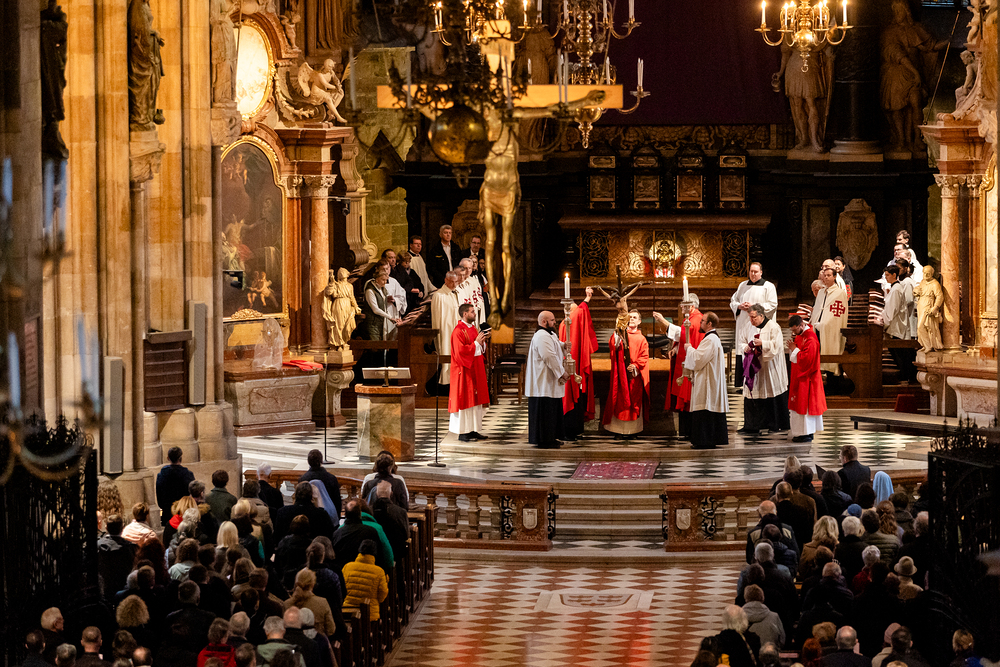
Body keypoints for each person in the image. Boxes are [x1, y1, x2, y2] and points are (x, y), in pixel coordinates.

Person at [654, 293, 704, 438]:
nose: (681, 306)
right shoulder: (691, 318)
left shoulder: (696, 319)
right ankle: (685, 431)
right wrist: (676, 347)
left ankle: (689, 432)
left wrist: (663, 321)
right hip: (684, 360)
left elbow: (685, 333)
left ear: (691, 306)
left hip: (691, 366)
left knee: (688, 396)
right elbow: (684, 338)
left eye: (684, 304)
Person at [738, 304, 789, 435]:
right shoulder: (748, 326)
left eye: (754, 317)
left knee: (770, 393)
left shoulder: (773, 327)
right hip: (753, 368)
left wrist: (763, 344)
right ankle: (752, 425)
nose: (751, 320)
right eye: (750, 317)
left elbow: (777, 346)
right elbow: (741, 341)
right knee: (753, 394)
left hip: (769, 368)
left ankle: (774, 424)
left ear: (761, 315)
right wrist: (746, 347)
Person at [601, 309, 649, 441]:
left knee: (633, 401)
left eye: (634, 317)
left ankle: (633, 431)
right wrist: (618, 332)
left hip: (634, 376)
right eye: (630, 317)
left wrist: (636, 366)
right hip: (621, 374)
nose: (632, 319)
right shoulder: (620, 335)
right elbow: (613, 345)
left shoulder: (642, 338)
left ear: (639, 322)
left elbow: (644, 356)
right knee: (619, 400)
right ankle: (617, 430)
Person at [684, 311, 729, 449]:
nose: (700, 323)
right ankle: (706, 440)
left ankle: (704, 440)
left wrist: (689, 349)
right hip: (708, 378)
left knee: (705, 407)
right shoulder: (711, 338)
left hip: (708, 381)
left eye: (702, 321)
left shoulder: (710, 339)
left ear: (709, 324)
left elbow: (698, 359)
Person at [524, 310, 568, 448]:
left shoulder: (550, 334)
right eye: (552, 320)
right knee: (545, 412)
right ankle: (544, 440)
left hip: (548, 381)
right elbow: (549, 356)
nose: (554, 322)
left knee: (551, 410)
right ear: (544, 321)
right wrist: (561, 372)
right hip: (542, 382)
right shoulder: (541, 336)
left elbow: (556, 345)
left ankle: (551, 437)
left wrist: (564, 346)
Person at [730, 262, 778, 388]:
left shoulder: (768, 286)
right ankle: (743, 383)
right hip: (743, 324)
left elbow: (772, 305)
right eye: (751, 271)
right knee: (744, 349)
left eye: (756, 272)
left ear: (761, 272)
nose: (753, 274)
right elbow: (733, 301)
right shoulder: (742, 285)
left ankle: (757, 383)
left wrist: (754, 307)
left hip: (758, 326)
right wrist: (739, 306)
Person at [559, 287, 598, 440]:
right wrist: (587, 299)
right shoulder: (567, 324)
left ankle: (575, 430)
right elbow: (580, 312)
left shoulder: (569, 323)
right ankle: (569, 431)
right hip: (569, 365)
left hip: (575, 363)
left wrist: (586, 300)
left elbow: (580, 313)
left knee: (578, 397)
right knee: (571, 395)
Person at [448, 303, 490, 442]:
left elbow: (478, 347)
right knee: (465, 401)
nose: (475, 314)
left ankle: (473, 429)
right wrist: (476, 344)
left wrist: (482, 343)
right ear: (465, 314)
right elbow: (460, 352)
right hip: (464, 371)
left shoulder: (473, 329)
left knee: (475, 401)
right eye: (472, 312)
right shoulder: (458, 331)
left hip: (475, 369)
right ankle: (463, 432)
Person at [787, 314, 826, 443]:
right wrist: (794, 349)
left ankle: (807, 433)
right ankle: (800, 432)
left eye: (795, 330)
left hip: (808, 378)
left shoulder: (811, 338)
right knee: (798, 406)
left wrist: (794, 350)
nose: (794, 333)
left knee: (806, 407)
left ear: (801, 325)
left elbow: (808, 360)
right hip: (799, 377)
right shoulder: (801, 335)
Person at [879, 264, 917, 382]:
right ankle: (906, 376)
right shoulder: (895, 288)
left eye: (887, 275)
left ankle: (906, 377)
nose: (886, 277)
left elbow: (892, 309)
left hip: (897, 326)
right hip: (896, 325)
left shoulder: (896, 289)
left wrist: (884, 324)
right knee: (899, 353)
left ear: (894, 275)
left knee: (901, 354)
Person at [811, 267, 849, 375]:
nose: (826, 277)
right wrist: (814, 322)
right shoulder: (821, 292)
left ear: (835, 277)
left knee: (831, 352)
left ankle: (833, 379)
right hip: (818, 329)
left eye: (829, 275)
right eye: (825, 275)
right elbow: (817, 309)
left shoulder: (839, 293)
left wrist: (824, 324)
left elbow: (838, 315)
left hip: (831, 329)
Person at [342, 539, 389, 622]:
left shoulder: (347, 567)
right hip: (370, 614)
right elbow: (382, 595)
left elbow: (341, 589)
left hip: (348, 611)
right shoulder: (379, 571)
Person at [430, 270, 461, 394]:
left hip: (455, 330)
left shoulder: (455, 293)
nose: (454, 285)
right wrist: (440, 334)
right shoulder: (439, 295)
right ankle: (445, 386)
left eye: (456, 282)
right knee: (446, 355)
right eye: (452, 282)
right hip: (445, 332)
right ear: (446, 280)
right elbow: (438, 318)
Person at [299, 449, 343, 521]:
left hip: (308, 518)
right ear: (321, 461)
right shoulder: (331, 478)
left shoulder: (303, 479)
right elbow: (337, 501)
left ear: (308, 462)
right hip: (329, 517)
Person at [156, 446, 195, 526]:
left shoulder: (162, 475)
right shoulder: (188, 475)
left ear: (168, 458)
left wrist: (163, 506)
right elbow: (192, 494)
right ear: (180, 458)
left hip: (167, 513)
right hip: (184, 514)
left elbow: (159, 494)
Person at [363, 268, 401, 340]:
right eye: (383, 280)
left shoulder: (382, 289)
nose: (385, 282)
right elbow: (375, 309)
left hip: (380, 323)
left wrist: (392, 318)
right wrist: (389, 317)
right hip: (373, 323)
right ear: (377, 279)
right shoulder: (370, 291)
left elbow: (384, 307)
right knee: (375, 344)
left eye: (386, 280)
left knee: (381, 344)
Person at [427, 224, 463, 288]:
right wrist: (444, 279)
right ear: (440, 234)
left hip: (456, 281)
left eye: (450, 233)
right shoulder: (435, 250)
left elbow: (460, 263)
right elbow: (431, 268)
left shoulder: (456, 248)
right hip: (441, 283)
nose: (448, 235)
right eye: (445, 233)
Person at [455, 257, 486, 327]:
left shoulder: (474, 281)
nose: (468, 270)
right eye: (465, 268)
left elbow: (479, 296)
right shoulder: (456, 282)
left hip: (475, 312)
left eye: (470, 268)